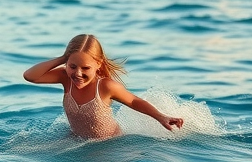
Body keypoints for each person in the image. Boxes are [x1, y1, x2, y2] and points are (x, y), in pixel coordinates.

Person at [23, 34, 183, 140]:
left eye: (85, 68)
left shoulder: (105, 86)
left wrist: (161, 117)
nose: (78, 73)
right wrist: (63, 59)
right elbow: (30, 76)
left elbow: (134, 101)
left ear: (98, 64)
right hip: (75, 139)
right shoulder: (65, 78)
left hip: (106, 144)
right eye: (72, 66)